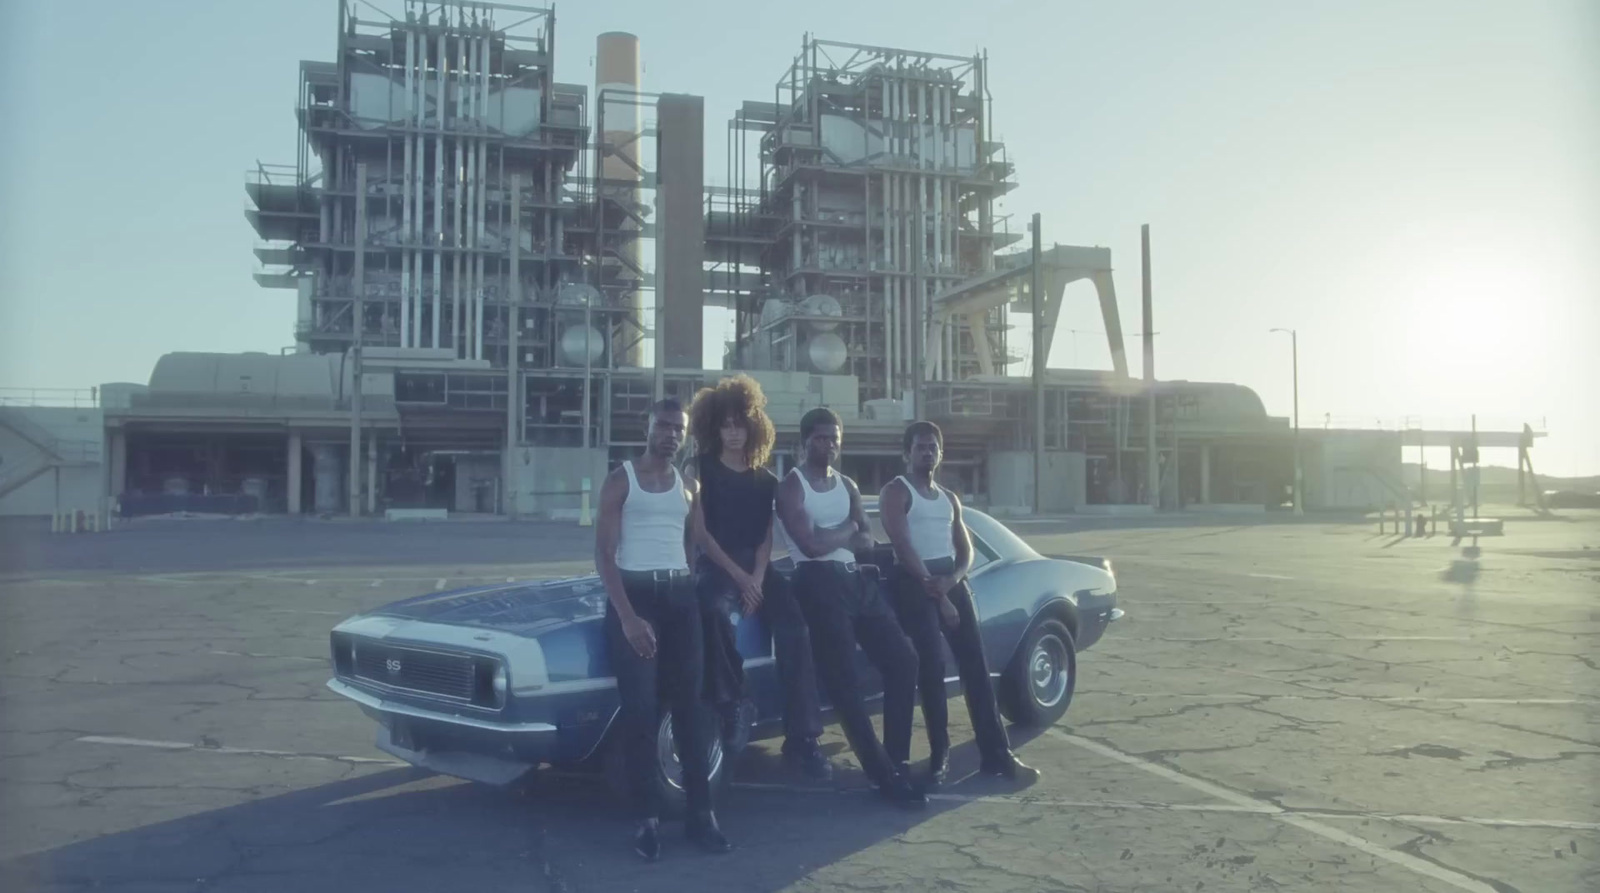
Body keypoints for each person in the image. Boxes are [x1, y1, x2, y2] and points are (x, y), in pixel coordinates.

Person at [594, 398, 731, 861]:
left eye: (679, 429)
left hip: (679, 601)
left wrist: (731, 578)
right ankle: (647, 821)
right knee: (640, 712)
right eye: (665, 426)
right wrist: (630, 617)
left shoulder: (689, 486)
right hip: (635, 599)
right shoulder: (621, 480)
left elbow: (698, 542)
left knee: (691, 711)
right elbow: (604, 556)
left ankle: (702, 816)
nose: (672, 434)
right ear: (648, 428)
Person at [684, 375, 835, 779]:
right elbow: (700, 534)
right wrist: (740, 577)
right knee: (714, 611)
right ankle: (732, 703)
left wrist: (757, 576)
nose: (733, 432)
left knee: (795, 628)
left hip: (758, 567)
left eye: (740, 424)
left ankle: (803, 739)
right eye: (726, 424)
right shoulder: (700, 468)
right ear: (714, 427)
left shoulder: (766, 479)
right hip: (717, 565)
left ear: (753, 426)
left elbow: (768, 535)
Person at [775, 407, 926, 809]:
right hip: (816, 583)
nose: (830, 444)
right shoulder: (792, 487)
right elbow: (810, 545)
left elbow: (868, 540)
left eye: (836, 438)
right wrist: (846, 533)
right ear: (805, 442)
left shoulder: (847, 485)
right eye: (822, 438)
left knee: (904, 660)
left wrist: (836, 534)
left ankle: (896, 760)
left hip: (857, 580)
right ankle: (884, 778)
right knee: (845, 684)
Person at [880, 421, 1039, 787]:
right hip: (914, 584)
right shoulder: (897, 492)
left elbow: (965, 549)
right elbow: (903, 547)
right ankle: (939, 759)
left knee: (977, 670)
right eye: (920, 447)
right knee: (932, 671)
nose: (927, 452)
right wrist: (935, 591)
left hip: (950, 581)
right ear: (907, 454)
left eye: (933, 447)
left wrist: (951, 582)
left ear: (941, 453)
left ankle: (997, 755)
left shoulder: (949, 498)